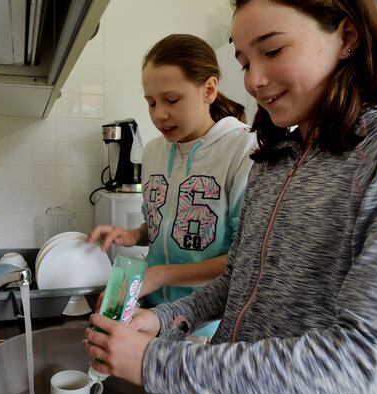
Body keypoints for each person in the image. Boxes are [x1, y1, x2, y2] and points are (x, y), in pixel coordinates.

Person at [84, 1, 377, 394]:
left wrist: (154, 361)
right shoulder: (274, 159)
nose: (253, 80)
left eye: (273, 50)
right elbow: (238, 283)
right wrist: (165, 320)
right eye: (245, 61)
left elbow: (368, 357)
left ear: (347, 38)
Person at [87, 34, 256, 338]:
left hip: (204, 325)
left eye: (172, 100)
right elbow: (165, 224)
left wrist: (162, 275)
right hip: (149, 314)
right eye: (150, 103)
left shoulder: (243, 149)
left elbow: (243, 257)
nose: (158, 115)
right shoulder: (154, 151)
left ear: (209, 90)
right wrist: (132, 235)